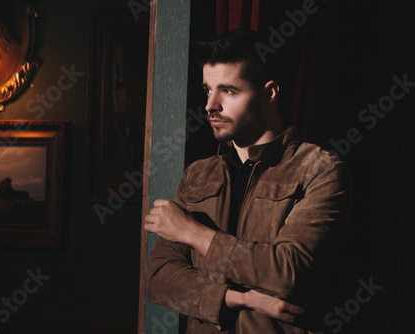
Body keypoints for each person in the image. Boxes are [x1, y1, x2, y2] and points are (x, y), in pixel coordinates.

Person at [143, 29, 353, 333]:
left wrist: (192, 232)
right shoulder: (198, 175)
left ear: (269, 93)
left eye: (228, 91)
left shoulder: (320, 170)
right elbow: (160, 277)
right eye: (207, 90)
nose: (210, 105)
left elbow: (287, 270)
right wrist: (239, 299)